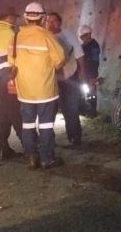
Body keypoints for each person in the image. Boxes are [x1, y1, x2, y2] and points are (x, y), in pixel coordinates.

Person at [9, 2, 65, 170]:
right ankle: (47, 158)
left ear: (26, 18)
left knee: (27, 125)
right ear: (42, 19)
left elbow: (11, 62)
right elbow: (60, 60)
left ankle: (31, 157)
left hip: (25, 91)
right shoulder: (47, 37)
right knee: (46, 125)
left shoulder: (16, 37)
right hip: (46, 90)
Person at [45, 12, 86, 146]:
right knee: (48, 111)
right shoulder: (43, 37)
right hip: (50, 80)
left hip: (69, 77)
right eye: (48, 21)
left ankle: (75, 137)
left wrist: (82, 72)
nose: (50, 24)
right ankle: (48, 139)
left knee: (71, 109)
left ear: (60, 23)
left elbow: (80, 55)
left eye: (54, 21)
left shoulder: (68, 35)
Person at [0, 12, 22, 160]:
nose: (16, 20)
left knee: (3, 114)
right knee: (16, 112)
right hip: (7, 75)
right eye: (14, 18)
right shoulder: (8, 32)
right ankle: (30, 149)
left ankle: (4, 149)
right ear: (8, 18)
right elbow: (18, 54)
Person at [79, 24, 101, 117]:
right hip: (84, 72)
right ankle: (84, 110)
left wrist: (92, 76)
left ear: (89, 34)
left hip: (91, 73)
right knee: (84, 92)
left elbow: (94, 61)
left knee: (91, 93)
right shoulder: (84, 45)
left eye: (83, 36)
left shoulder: (94, 46)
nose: (82, 38)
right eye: (81, 37)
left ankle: (92, 112)